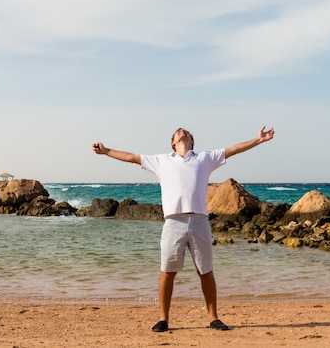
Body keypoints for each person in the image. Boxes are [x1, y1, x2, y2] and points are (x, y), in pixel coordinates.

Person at [92, 126, 275, 332]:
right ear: (173, 142)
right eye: (178, 132)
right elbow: (132, 157)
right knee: (167, 272)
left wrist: (258, 140)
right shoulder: (162, 161)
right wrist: (106, 151)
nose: (182, 131)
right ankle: (163, 319)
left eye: (185, 131)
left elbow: (233, 150)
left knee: (205, 272)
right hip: (173, 222)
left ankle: (213, 317)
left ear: (191, 141)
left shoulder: (205, 158)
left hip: (200, 221)